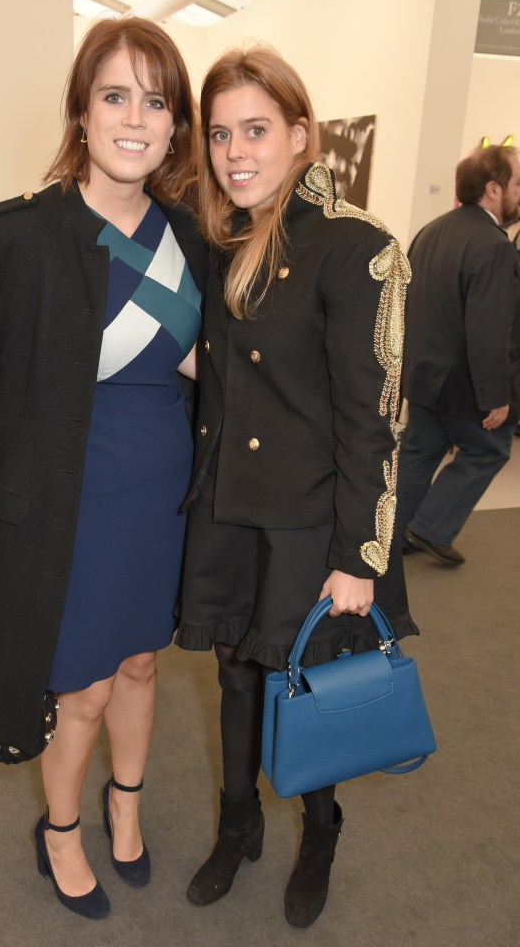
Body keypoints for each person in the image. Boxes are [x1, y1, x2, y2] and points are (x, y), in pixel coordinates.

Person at [0, 17, 206, 920]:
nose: (136, 117)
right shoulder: (10, 240)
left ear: (176, 124)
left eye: (157, 99)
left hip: (162, 500)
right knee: (82, 687)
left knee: (140, 664)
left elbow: (213, 369)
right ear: (82, 112)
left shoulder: (194, 239)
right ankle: (60, 830)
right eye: (115, 95)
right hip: (68, 508)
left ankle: (122, 805)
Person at [175, 46, 417, 929]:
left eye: (256, 129)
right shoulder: (219, 235)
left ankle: (319, 826)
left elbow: (374, 418)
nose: (235, 151)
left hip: (309, 523)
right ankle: (237, 822)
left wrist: (359, 557)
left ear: (300, 134)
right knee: (234, 674)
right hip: (227, 505)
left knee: (304, 683)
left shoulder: (357, 247)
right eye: (219, 133)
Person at [395, 145, 520, 564]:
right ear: (493, 190)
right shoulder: (495, 246)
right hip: (465, 386)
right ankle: (429, 527)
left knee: (417, 455)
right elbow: (488, 330)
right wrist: (496, 397)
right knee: (489, 449)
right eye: (517, 183)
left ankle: (394, 533)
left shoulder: (431, 231)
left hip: (424, 378)